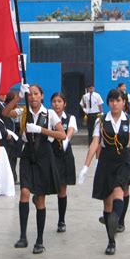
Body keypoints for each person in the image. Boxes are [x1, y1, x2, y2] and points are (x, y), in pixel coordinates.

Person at [3, 84, 66, 254]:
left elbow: (62, 135)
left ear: (42, 96)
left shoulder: (50, 114)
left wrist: (41, 130)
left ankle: (39, 240)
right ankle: (23, 236)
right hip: (27, 156)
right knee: (24, 192)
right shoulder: (23, 112)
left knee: (39, 199)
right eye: (29, 94)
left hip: (44, 157)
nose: (32, 97)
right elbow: (5, 113)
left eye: (36, 94)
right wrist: (17, 97)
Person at [79, 89, 130, 255]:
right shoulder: (100, 121)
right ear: (108, 103)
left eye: (118, 100)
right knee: (107, 202)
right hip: (106, 161)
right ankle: (111, 240)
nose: (114, 103)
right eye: (112, 101)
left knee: (119, 191)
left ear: (123, 103)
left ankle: (117, 217)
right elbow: (95, 143)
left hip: (123, 160)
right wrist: (86, 166)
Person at [50, 92, 77, 233]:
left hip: (65, 155)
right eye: (54, 101)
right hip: (50, 154)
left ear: (64, 104)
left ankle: (61, 220)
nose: (57, 104)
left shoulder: (70, 118)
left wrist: (66, 139)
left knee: (62, 189)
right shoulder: (47, 117)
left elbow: (70, 132)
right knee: (47, 184)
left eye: (59, 101)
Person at [0, 93, 18, 183]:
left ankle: (12, 178)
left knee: (12, 158)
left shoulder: (3, 105)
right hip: (5, 136)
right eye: (2, 94)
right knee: (7, 160)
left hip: (11, 137)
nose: (4, 95)